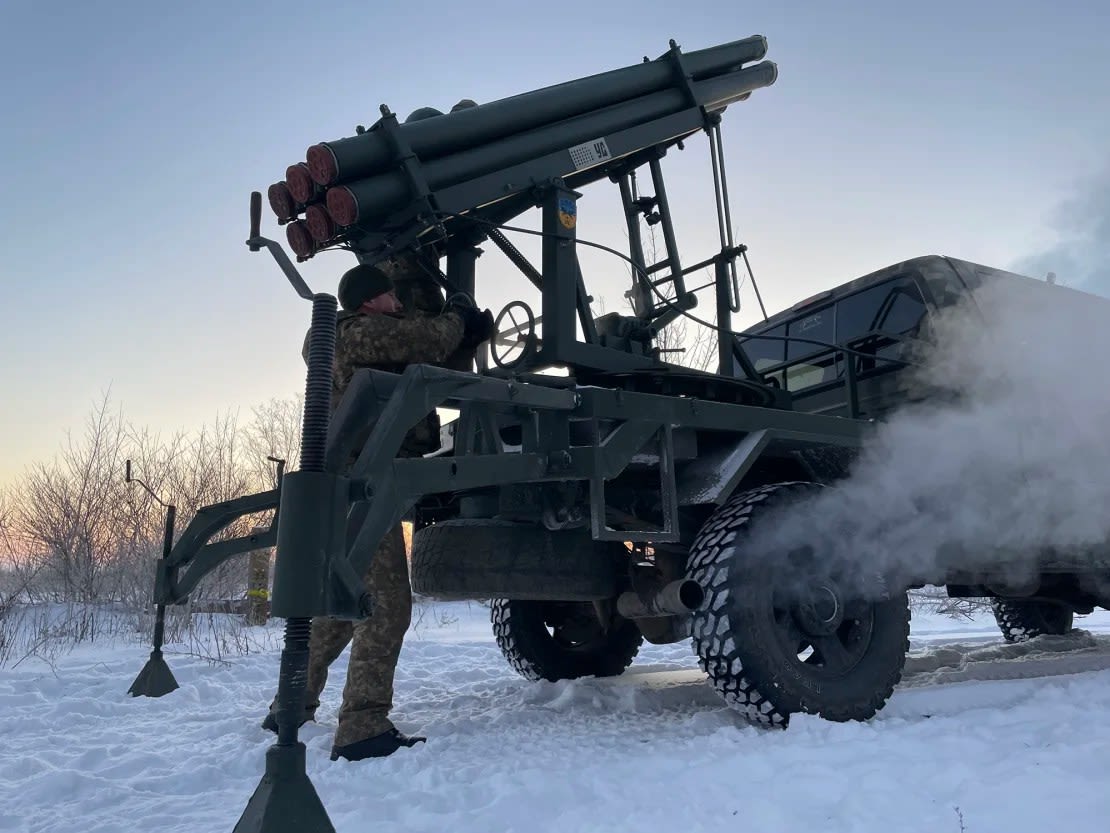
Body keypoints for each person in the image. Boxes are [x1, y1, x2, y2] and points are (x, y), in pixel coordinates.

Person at [263, 258, 494, 761]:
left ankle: (292, 702)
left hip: (353, 480)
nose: (398, 302)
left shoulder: (363, 338)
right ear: (370, 300)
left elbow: (433, 363)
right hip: (363, 482)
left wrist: (469, 339)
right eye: (391, 295)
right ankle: (362, 727)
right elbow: (427, 341)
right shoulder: (360, 333)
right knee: (387, 607)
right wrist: (457, 313)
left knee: (344, 604)